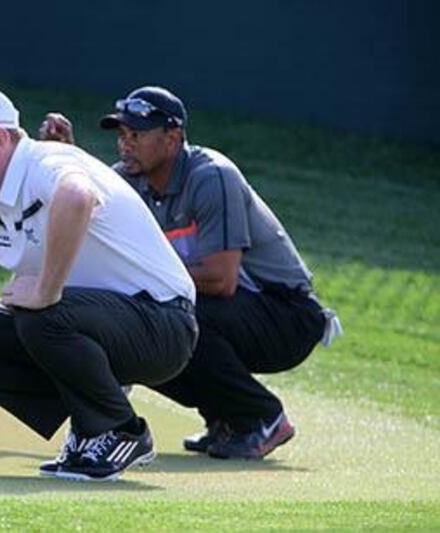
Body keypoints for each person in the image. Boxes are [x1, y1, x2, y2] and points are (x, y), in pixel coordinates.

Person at [0, 82, 198, 480]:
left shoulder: (45, 162)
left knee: (38, 313)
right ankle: (88, 424)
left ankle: (121, 430)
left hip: (163, 325)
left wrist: (45, 289)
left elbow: (77, 197)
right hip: (91, 324)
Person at [40, 86, 342, 460]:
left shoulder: (211, 176)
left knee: (171, 314)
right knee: (141, 326)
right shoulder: (128, 180)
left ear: (173, 138)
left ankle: (261, 417)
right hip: (230, 312)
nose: (125, 144)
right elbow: (83, 209)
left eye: (137, 135)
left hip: (285, 316)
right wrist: (66, 157)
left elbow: (221, 278)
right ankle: (225, 420)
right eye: (122, 135)